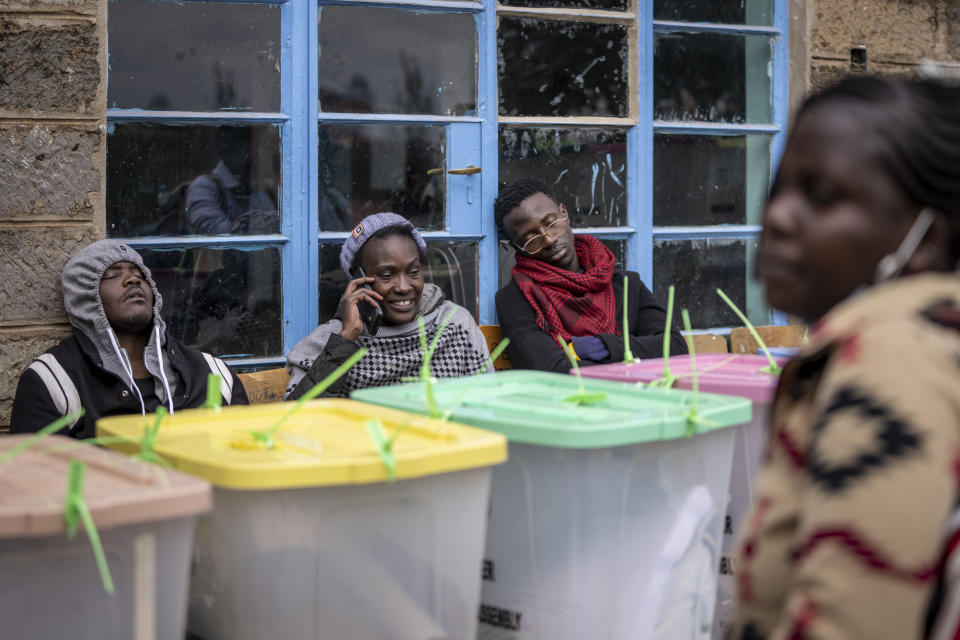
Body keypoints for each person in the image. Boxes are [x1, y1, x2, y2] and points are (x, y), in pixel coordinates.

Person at [730, 76, 960, 640]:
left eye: (823, 196)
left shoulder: (891, 354)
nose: (779, 217)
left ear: (924, 240)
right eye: (778, 189)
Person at [10, 239, 248, 439]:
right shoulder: (53, 381)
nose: (132, 280)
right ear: (85, 299)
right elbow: (35, 480)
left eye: (139, 275)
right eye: (111, 276)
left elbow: (245, 461)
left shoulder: (213, 374)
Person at [285, 212, 490, 399]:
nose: (403, 287)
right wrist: (346, 339)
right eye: (386, 275)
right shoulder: (332, 340)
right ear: (359, 279)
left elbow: (489, 402)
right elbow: (293, 420)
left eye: (413, 272)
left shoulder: (454, 324)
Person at [493, 178, 685, 372]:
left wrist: (600, 347)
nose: (549, 240)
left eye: (551, 224)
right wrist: (630, 358)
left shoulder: (627, 285)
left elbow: (675, 347)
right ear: (518, 247)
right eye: (531, 238)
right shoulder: (515, 299)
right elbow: (552, 371)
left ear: (564, 213)